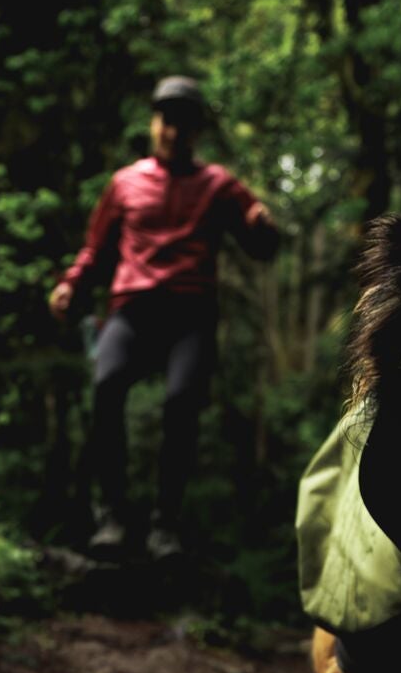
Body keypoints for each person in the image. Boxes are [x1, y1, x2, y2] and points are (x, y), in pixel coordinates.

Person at [49, 75, 280, 560]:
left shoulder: (218, 185)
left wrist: (263, 226)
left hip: (190, 314)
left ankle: (164, 526)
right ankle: (110, 517)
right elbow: (96, 249)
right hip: (132, 310)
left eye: (183, 124)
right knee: (106, 383)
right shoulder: (125, 183)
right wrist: (72, 283)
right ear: (155, 125)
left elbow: (260, 246)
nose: (173, 131)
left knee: (181, 402)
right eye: (166, 121)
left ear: (195, 132)